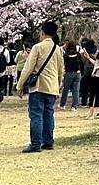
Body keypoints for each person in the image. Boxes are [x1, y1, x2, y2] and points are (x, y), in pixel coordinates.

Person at [16, 21, 64, 153]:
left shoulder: (37, 47)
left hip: (38, 86)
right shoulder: (57, 49)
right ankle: (48, 141)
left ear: (42, 32)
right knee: (49, 114)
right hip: (52, 87)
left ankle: (36, 143)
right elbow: (61, 70)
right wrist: (58, 87)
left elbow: (28, 68)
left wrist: (20, 85)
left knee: (36, 115)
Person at [59, 40, 83, 111]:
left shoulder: (66, 56)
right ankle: (74, 106)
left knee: (65, 89)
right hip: (77, 73)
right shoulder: (78, 55)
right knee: (76, 90)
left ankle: (62, 104)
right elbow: (81, 64)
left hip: (69, 73)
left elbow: (63, 64)